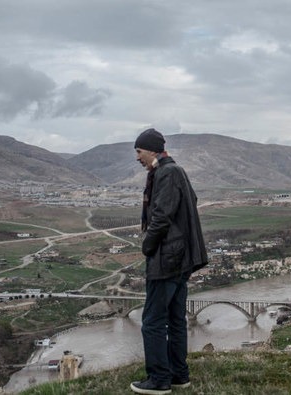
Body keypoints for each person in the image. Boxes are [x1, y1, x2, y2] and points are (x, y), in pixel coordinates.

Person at [130, 128, 208, 395]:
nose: (137, 157)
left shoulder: (166, 173)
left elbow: (161, 216)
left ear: (152, 150)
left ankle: (159, 379)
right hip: (180, 259)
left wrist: (147, 246)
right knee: (175, 319)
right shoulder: (175, 172)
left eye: (139, 152)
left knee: (152, 321)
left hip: (167, 259)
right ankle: (179, 375)